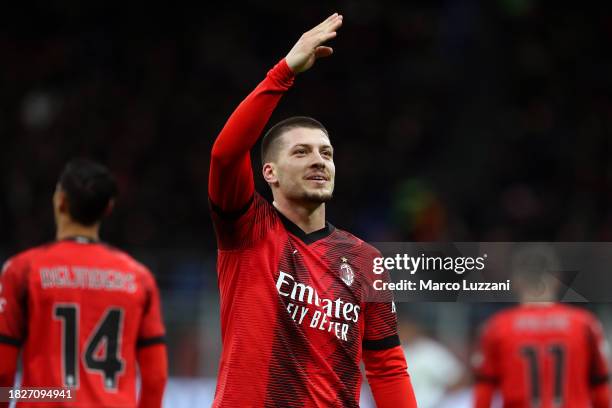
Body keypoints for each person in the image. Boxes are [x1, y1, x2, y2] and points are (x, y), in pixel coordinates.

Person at [208, 13, 417, 408]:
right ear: (268, 172)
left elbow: (387, 366)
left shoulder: (365, 261)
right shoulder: (248, 228)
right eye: (301, 153)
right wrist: (283, 72)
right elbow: (225, 154)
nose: (318, 161)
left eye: (326, 153)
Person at [0, 159, 167, 408]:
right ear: (108, 208)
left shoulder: (23, 270)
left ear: (60, 201)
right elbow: (156, 378)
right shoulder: (138, 278)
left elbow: (3, 371)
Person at [473, 245, 610, 408]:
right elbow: (601, 390)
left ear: (515, 281)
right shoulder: (585, 324)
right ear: (556, 279)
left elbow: (483, 394)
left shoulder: (496, 327)